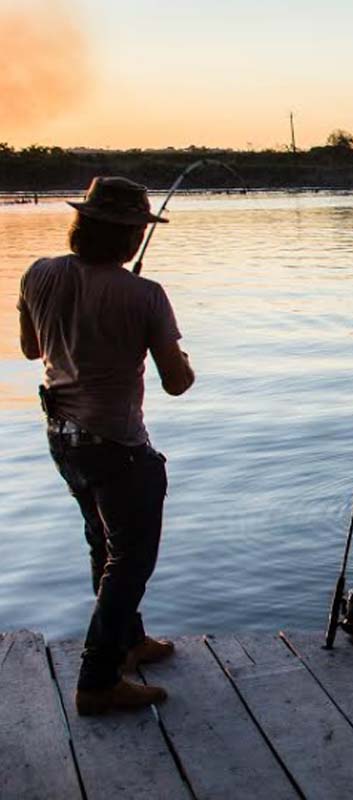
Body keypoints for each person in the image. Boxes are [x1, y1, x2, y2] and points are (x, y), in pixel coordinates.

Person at [17, 177, 195, 715]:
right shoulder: (145, 294)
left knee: (104, 543)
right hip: (119, 447)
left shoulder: (37, 274)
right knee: (131, 561)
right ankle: (96, 680)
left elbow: (32, 349)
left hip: (63, 441)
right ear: (131, 237)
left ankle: (129, 643)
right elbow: (177, 382)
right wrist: (166, 347)